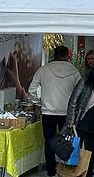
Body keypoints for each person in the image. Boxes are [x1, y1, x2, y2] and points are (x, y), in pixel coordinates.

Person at [29, 46, 81, 177]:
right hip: (67, 113)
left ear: (54, 54)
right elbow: (80, 91)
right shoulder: (74, 70)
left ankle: (51, 171)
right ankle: (68, 168)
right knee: (68, 142)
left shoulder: (43, 70)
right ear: (67, 55)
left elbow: (31, 90)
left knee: (49, 142)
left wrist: (38, 102)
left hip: (48, 112)